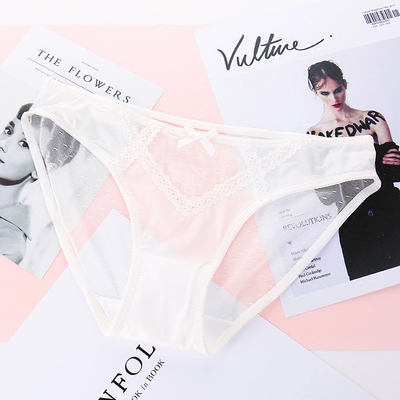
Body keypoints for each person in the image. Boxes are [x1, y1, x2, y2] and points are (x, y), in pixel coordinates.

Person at [307, 60, 400, 279]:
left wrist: (344, 170)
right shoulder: (314, 135)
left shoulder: (372, 118)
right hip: (353, 222)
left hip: (390, 209)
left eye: (338, 90)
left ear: (345, 85)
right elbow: (325, 196)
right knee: (369, 281)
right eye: (325, 93)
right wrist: (377, 160)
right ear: (314, 91)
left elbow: (395, 172)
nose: (334, 99)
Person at [0, 103, 36, 264]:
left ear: (40, 170)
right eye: (8, 131)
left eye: (24, 144)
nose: (3, 144)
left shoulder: (10, 247)